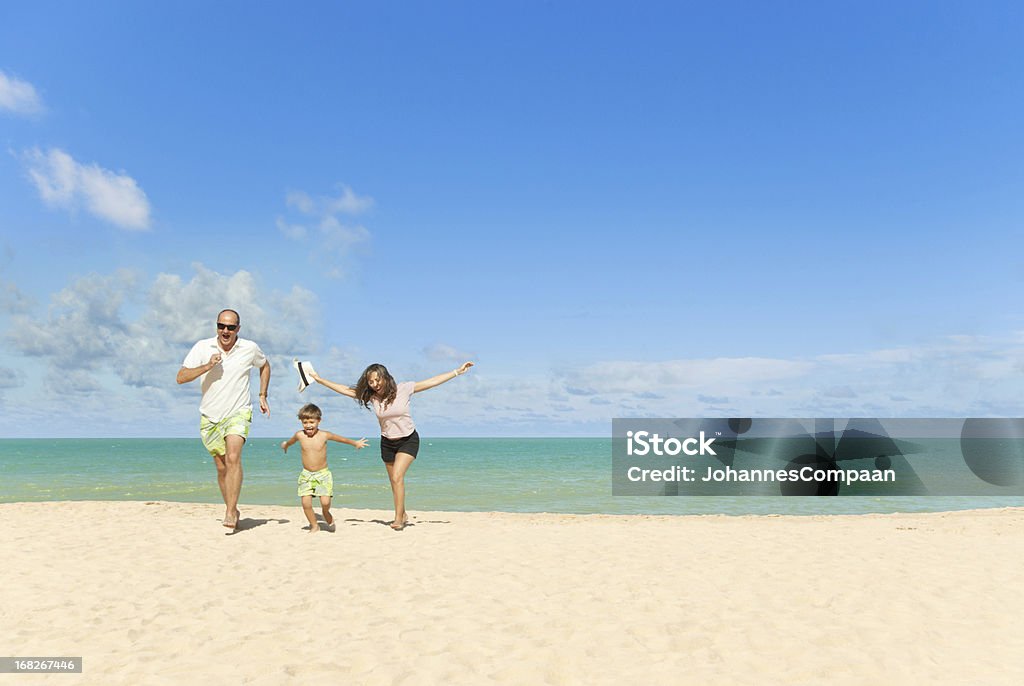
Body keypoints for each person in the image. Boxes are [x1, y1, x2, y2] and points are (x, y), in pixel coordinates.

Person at [308, 361, 474, 530]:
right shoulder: (372, 396)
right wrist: (319, 380)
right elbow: (345, 390)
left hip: (408, 440)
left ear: (385, 377)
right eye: (371, 382)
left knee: (397, 477)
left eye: (377, 380)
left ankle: (398, 519)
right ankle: (403, 512)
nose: (374, 385)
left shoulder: (404, 389)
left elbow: (430, 382)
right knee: (395, 482)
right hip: (387, 442)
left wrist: (456, 372)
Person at [176, 309, 270, 530]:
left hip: (239, 411)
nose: (225, 331)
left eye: (230, 327)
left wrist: (262, 394)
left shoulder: (249, 348)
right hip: (210, 415)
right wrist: (207, 366)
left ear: (238, 328)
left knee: (233, 457)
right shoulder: (202, 347)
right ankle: (232, 507)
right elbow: (181, 377)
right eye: (221, 326)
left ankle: (229, 511)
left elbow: (264, 365)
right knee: (221, 468)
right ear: (217, 326)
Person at [281, 403, 368, 533]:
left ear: (318, 421)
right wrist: (286, 445)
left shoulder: (324, 435)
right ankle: (314, 525)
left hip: (323, 475)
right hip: (306, 475)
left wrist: (355, 443)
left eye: (312, 422)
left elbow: (340, 439)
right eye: (305, 422)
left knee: (325, 503)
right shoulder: (300, 435)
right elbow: (291, 441)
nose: (308, 425)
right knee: (306, 504)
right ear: (301, 422)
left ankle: (326, 513)